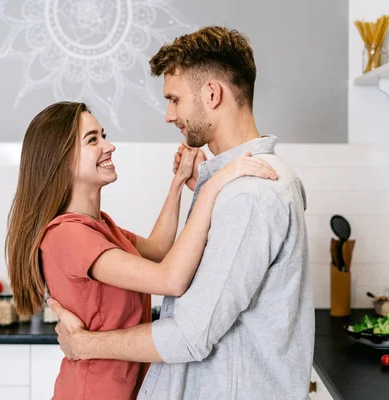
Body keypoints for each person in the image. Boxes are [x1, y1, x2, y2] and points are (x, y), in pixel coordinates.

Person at [48, 26, 315, 400]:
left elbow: (190, 335)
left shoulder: (248, 194)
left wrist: (84, 345)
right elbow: (174, 263)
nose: (169, 115)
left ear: (211, 93)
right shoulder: (234, 184)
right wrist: (199, 184)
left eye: (174, 99)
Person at [5, 100, 277, 399]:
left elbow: (158, 250)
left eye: (103, 135)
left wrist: (178, 183)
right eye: (93, 140)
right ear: (61, 159)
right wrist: (212, 186)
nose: (109, 146)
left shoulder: (99, 226)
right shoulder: (68, 235)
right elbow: (170, 279)